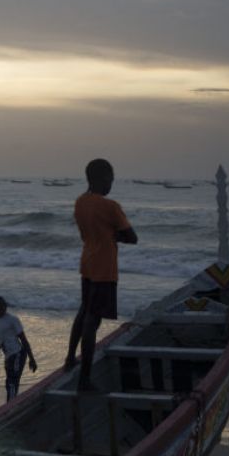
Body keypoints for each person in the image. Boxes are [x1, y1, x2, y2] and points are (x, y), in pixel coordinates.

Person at [65, 158, 137, 390]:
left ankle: (69, 359)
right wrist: (114, 235)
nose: (111, 184)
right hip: (105, 268)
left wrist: (109, 233)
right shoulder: (110, 206)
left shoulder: (80, 202)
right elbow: (132, 237)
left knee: (84, 311)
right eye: (110, 179)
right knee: (92, 321)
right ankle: (85, 378)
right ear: (101, 178)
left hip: (87, 262)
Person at [0, 296, 37, 402]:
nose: (4, 308)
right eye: (0, 306)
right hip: (8, 356)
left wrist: (32, 359)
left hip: (18, 354)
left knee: (12, 381)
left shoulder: (13, 320)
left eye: (4, 306)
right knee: (10, 382)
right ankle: (12, 403)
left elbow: (24, 340)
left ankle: (10, 405)